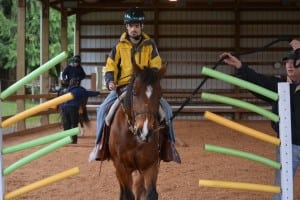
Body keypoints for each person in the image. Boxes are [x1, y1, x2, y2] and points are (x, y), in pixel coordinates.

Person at [89, 7, 181, 163]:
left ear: (141, 27)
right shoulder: (118, 46)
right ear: (126, 27)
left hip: (144, 87)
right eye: (131, 26)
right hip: (124, 86)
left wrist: (148, 78)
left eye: (137, 26)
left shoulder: (150, 45)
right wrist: (110, 80)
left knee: (167, 110)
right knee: (103, 110)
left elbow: (156, 65)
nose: (133, 29)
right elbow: (110, 65)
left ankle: (169, 147)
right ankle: (99, 146)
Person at [220, 39, 300, 200]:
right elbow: (258, 81)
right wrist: (240, 66)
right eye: (287, 62)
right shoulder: (280, 86)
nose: (289, 65)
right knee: (282, 191)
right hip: (288, 147)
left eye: (295, 62)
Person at [60, 78, 100, 144]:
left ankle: (66, 140)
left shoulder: (67, 90)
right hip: (73, 108)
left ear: (70, 83)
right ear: (77, 83)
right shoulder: (81, 90)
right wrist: (97, 93)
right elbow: (89, 93)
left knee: (66, 124)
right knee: (74, 124)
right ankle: (74, 141)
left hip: (64, 108)